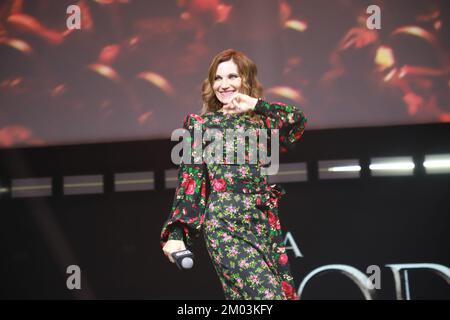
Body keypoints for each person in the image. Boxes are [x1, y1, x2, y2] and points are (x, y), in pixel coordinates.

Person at [160, 49, 307, 300]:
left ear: (246, 80)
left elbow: (297, 122)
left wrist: (255, 104)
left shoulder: (262, 122)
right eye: (217, 78)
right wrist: (176, 235)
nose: (224, 84)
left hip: (261, 222)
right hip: (225, 223)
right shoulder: (201, 124)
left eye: (232, 77)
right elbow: (190, 181)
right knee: (269, 298)